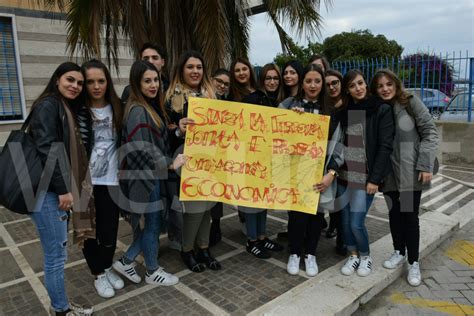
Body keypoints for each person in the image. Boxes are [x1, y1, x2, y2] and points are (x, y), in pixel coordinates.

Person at [28, 62, 93, 315]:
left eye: (79, 82)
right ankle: (61, 310)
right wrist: (64, 189)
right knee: (55, 257)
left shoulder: (61, 107)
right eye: (70, 80)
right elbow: (47, 148)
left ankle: (62, 306)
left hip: (52, 191)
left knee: (58, 255)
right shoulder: (48, 105)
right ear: (57, 80)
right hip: (48, 193)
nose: (75, 86)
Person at [113, 60, 184, 286]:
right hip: (145, 179)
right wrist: (171, 164)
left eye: (155, 80)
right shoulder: (138, 111)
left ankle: (127, 261)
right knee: (152, 225)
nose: (153, 85)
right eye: (147, 81)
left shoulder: (150, 107)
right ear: (137, 83)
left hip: (150, 177)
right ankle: (152, 270)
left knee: (152, 224)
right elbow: (141, 152)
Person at [371, 69, 439, 286]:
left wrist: (425, 164)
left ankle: (413, 262)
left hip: (410, 172)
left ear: (396, 84)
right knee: (394, 215)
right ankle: (398, 251)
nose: (385, 89)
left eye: (389, 84)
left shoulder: (410, 102)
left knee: (410, 217)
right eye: (380, 86)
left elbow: (430, 131)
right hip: (388, 173)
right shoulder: (377, 108)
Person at [165, 50, 221, 272]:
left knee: (208, 207)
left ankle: (204, 248)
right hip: (186, 160)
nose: (195, 71)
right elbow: (165, 132)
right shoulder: (172, 98)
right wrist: (179, 130)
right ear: (181, 70)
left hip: (211, 160)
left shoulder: (212, 96)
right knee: (194, 208)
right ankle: (187, 250)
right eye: (190, 67)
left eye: (199, 67)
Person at [278, 64, 337, 277]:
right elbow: (274, 134)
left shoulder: (330, 111)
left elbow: (339, 145)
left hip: (319, 173)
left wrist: (331, 173)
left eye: (317, 81)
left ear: (323, 84)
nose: (313, 85)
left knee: (316, 216)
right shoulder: (289, 106)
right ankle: (294, 252)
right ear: (301, 83)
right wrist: (291, 120)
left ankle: (310, 254)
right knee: (296, 215)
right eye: (308, 81)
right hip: (294, 171)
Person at [336, 69, 394, 277]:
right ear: (348, 90)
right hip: (344, 176)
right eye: (352, 86)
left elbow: (385, 146)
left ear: (366, 85)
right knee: (344, 223)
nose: (358, 88)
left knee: (356, 222)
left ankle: (365, 256)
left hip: (365, 177)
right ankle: (352, 255)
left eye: (360, 83)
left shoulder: (381, 109)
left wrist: (375, 179)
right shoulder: (345, 111)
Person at [77, 59, 124, 298]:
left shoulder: (118, 107)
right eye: (90, 81)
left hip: (112, 180)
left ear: (107, 82)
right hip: (85, 183)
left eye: (101, 81)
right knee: (89, 231)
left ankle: (106, 266)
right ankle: (98, 274)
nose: (96, 86)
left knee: (110, 230)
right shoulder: (78, 111)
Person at [238, 63, 285, 259]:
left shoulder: (280, 101)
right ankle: (252, 240)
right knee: (251, 200)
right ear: (262, 80)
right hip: (252, 158)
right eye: (268, 78)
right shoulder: (252, 99)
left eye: (275, 78)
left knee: (264, 199)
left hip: (271, 160)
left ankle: (262, 235)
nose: (272, 82)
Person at [323, 69, 346, 256]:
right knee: (335, 202)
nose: (331, 87)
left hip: (346, 161)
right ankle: (334, 229)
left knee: (343, 204)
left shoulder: (349, 105)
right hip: (329, 158)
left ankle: (342, 239)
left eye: (335, 83)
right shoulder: (324, 106)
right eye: (328, 84)